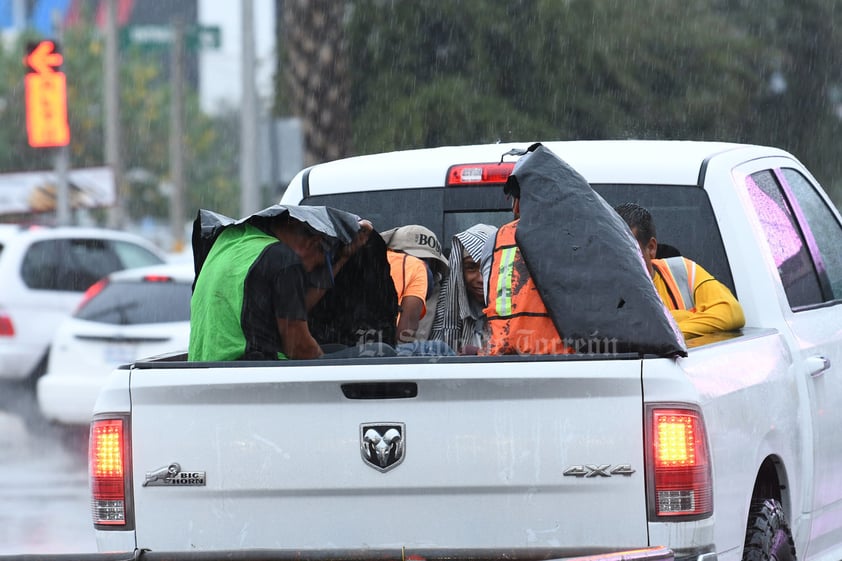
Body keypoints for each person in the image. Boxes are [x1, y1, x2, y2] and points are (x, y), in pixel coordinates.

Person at [188, 210, 373, 361]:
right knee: (380, 352)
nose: (311, 273)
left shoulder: (232, 241)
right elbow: (297, 347)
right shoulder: (283, 260)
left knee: (339, 349)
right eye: (318, 267)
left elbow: (291, 309)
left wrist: (343, 257)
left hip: (210, 365)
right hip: (255, 373)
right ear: (315, 242)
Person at [614, 202, 745, 338]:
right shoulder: (598, 285)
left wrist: (667, 332)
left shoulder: (681, 271)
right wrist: (683, 317)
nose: (618, 259)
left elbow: (732, 312)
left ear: (651, 248)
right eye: (612, 250)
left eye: (627, 251)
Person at [482, 169, 570, 356]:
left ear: (517, 205)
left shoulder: (498, 240)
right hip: (559, 359)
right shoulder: (574, 234)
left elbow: (488, 297)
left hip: (503, 357)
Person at [430, 224, 498, 355]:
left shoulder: (523, 308)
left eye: (489, 267)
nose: (481, 279)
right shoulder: (441, 304)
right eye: (471, 267)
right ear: (459, 272)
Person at [381, 225, 450, 344]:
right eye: (413, 259)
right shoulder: (370, 285)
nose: (422, 268)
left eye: (427, 261)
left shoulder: (444, 296)